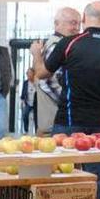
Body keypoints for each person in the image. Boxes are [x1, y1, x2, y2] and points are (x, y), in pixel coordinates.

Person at [30, 1, 100, 199]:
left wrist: (36, 53)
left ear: (85, 20)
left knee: (63, 176)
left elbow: (41, 74)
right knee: (94, 179)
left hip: (68, 123)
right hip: (99, 126)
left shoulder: (69, 43)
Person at [35, 7, 81, 136]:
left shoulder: (62, 44)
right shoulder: (57, 46)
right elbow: (48, 81)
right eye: (72, 23)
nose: (77, 28)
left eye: (79, 23)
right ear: (57, 23)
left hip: (55, 123)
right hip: (54, 123)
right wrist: (71, 102)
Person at [20, 68, 36, 133]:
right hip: (28, 103)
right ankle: (26, 130)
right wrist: (22, 101)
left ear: (33, 74)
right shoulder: (25, 83)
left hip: (36, 103)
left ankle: (36, 130)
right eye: (27, 73)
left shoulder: (37, 82)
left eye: (30, 73)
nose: (28, 75)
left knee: (37, 117)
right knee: (25, 114)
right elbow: (23, 93)